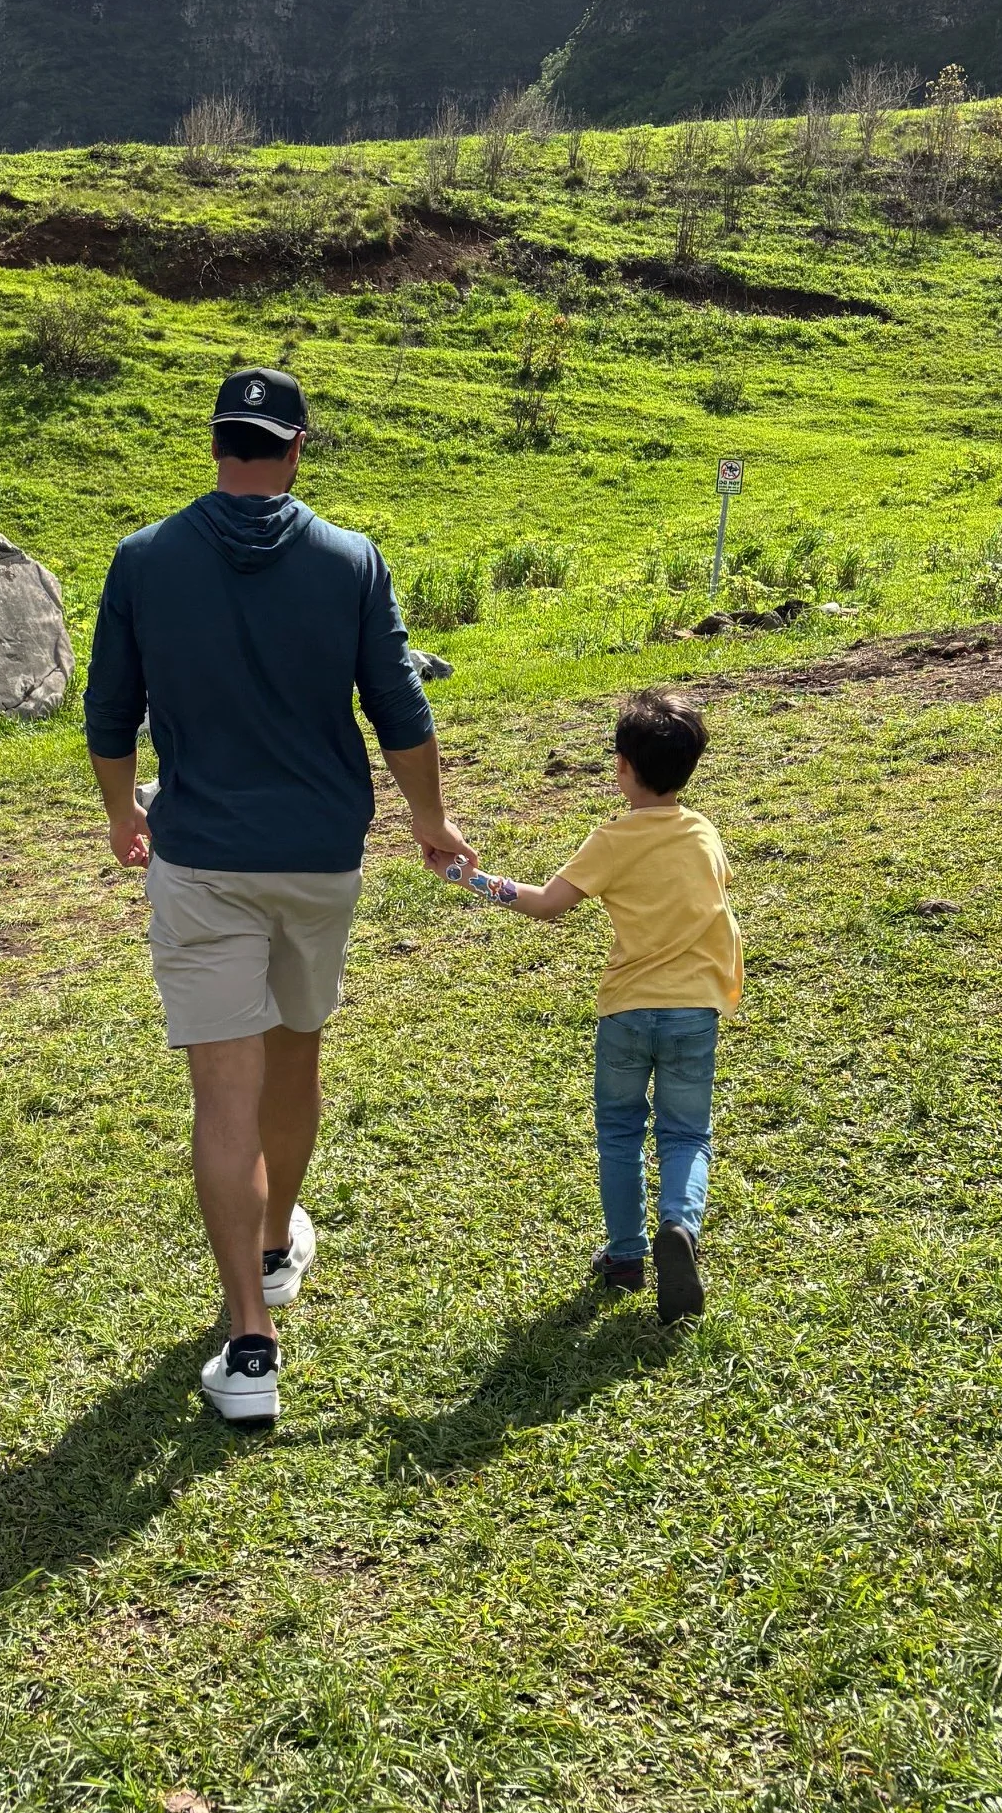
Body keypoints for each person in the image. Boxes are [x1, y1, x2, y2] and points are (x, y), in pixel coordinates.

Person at [85, 367, 475, 1425]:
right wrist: (429, 822)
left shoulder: (143, 560)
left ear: (217, 445)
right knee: (296, 1055)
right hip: (318, 856)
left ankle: (249, 1343)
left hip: (202, 856)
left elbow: (111, 711)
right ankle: (276, 1239)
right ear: (299, 447)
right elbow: (398, 707)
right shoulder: (351, 561)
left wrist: (124, 814)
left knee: (224, 1093)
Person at [455, 688, 741, 1323]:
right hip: (695, 1012)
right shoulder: (704, 834)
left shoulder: (611, 840)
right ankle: (681, 1229)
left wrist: (470, 877)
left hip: (626, 1013)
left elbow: (547, 904)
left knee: (619, 1132)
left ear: (623, 767)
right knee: (686, 1132)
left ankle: (625, 1256)